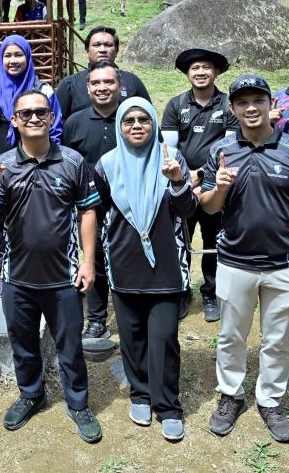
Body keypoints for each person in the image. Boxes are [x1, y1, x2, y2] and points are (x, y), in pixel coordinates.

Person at [199, 75, 289, 443]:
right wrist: (219, 187)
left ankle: (269, 400)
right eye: (242, 102)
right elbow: (208, 208)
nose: (250, 108)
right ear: (232, 108)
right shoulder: (220, 151)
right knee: (230, 336)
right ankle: (230, 395)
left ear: (272, 104)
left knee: (277, 339)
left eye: (258, 100)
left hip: (284, 266)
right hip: (234, 262)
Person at [0, 89, 102, 443]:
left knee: (70, 346)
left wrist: (88, 262)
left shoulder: (73, 162)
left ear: (51, 118)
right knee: (23, 344)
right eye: (25, 113)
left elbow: (88, 210)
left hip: (63, 277)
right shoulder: (3, 165)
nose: (33, 118)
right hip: (17, 278)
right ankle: (31, 394)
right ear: (14, 121)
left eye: (40, 112)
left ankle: (78, 403)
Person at [95, 97, 197, 442]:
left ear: (154, 125)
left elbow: (187, 210)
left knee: (165, 338)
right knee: (132, 336)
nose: (137, 125)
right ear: (119, 127)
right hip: (124, 266)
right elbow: (98, 217)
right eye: (129, 121)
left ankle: (167, 405)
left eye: (144, 120)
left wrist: (180, 180)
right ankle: (139, 393)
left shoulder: (171, 158)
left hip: (167, 267)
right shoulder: (107, 165)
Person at [0, 35, 63, 299]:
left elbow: (55, 129)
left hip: (37, 163)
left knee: (40, 214)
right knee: (3, 218)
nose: (13, 60)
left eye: (18, 55)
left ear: (28, 57)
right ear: (0, 59)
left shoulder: (42, 88)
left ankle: (46, 268)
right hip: (0, 166)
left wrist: (48, 161)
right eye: (7, 56)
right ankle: (3, 270)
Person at [160, 48, 238, 322]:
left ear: (216, 72)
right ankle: (180, 291)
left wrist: (201, 178)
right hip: (181, 184)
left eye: (206, 67)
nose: (201, 72)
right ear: (187, 74)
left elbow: (229, 148)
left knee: (213, 239)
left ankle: (210, 292)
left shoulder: (229, 105)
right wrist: (184, 180)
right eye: (195, 68)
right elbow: (169, 149)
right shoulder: (175, 105)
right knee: (178, 239)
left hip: (215, 185)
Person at [62, 61, 123, 347]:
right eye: (96, 83)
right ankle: (97, 318)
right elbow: (67, 163)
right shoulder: (75, 121)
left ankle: (128, 313)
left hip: (128, 205)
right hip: (89, 206)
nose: (102, 88)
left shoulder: (133, 117)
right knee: (93, 257)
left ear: (119, 86)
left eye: (108, 82)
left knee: (127, 258)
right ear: (88, 87)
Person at [56, 25, 151, 121]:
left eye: (108, 45)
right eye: (96, 45)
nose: (102, 50)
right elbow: (57, 124)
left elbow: (148, 117)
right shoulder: (70, 84)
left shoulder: (132, 81)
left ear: (117, 51)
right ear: (87, 51)